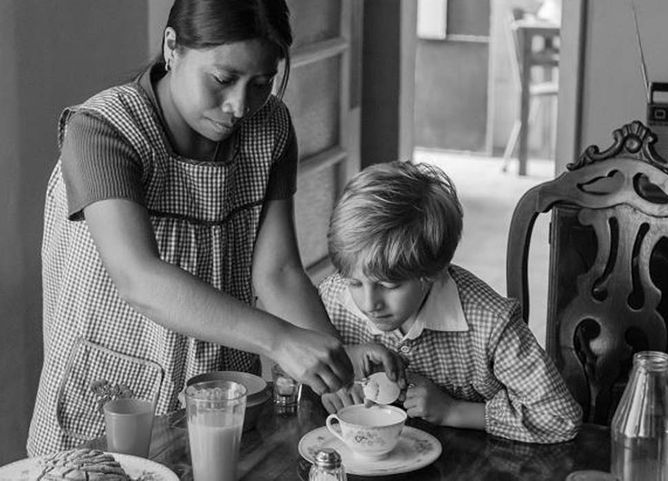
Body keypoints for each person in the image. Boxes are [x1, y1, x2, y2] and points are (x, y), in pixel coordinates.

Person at [28, 0, 401, 456]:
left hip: (221, 385)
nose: (239, 106)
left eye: (261, 83)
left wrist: (330, 358)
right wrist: (282, 340)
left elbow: (278, 272)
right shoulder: (102, 131)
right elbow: (139, 279)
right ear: (172, 47)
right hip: (113, 388)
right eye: (223, 79)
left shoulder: (271, 128)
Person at [318, 161, 582, 444]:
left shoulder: (489, 322)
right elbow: (290, 368)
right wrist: (331, 381)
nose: (369, 303)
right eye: (355, 282)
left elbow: (560, 417)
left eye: (389, 285)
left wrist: (453, 411)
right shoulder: (333, 297)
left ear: (432, 271)